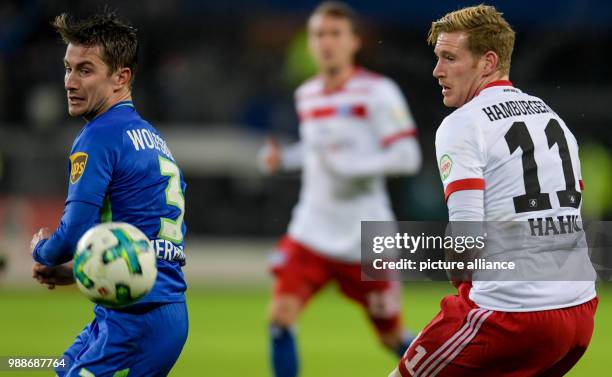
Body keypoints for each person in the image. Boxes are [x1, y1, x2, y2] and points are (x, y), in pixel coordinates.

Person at [390, 5, 597, 377]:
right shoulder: (551, 116)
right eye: (438, 58)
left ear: (488, 62)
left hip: (513, 314)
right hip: (579, 311)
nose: (437, 71)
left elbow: (466, 238)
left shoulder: (463, 124)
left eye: (450, 58)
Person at [258, 2, 422, 376]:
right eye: (319, 34)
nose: (326, 42)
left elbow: (408, 156)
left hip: (365, 237)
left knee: (390, 336)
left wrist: (355, 168)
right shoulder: (307, 94)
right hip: (311, 231)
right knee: (280, 319)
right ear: (310, 43)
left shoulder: (378, 92)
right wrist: (284, 159)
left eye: (335, 34)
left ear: (353, 42)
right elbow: (318, 154)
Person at [30, 11, 188, 377]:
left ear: (121, 78)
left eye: (85, 70)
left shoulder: (99, 136)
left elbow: (71, 234)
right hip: (164, 313)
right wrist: (78, 272)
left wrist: (42, 251)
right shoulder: (154, 140)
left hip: (134, 319)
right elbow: (155, 240)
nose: (70, 81)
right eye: (68, 68)